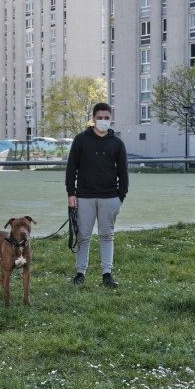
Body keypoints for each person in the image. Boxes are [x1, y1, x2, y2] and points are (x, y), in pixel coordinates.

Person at [66, 102, 128, 287]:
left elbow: (123, 173)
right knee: (83, 235)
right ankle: (80, 273)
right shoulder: (80, 140)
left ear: (110, 118)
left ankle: (107, 274)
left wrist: (120, 197)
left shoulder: (117, 143)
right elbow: (71, 169)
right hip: (84, 196)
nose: (103, 121)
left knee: (106, 235)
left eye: (106, 118)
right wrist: (71, 193)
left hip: (110, 197)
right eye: (99, 118)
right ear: (93, 118)